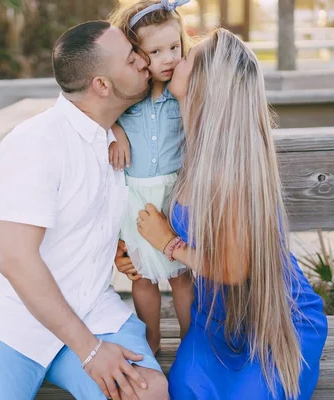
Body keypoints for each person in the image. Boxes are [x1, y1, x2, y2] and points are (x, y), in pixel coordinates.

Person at [0, 21, 169, 400]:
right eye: (132, 59)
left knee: (147, 392)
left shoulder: (116, 134)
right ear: (101, 85)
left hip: (93, 313)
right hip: (11, 321)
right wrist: (91, 350)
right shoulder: (36, 143)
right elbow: (16, 261)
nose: (144, 62)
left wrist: (122, 246)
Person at [118, 29, 328, 399]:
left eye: (187, 56)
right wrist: (133, 251)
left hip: (273, 317)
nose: (175, 59)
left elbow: (233, 269)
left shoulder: (229, 168)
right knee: (185, 389)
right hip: (213, 316)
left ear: (204, 83)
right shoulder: (184, 143)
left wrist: (167, 243)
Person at [106, 0, 194, 355]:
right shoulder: (126, 97)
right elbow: (91, 110)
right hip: (136, 198)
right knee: (141, 276)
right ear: (135, 55)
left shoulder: (182, 93)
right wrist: (117, 130)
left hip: (174, 194)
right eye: (156, 51)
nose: (169, 57)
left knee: (181, 274)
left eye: (175, 47)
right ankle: (152, 339)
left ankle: (192, 339)